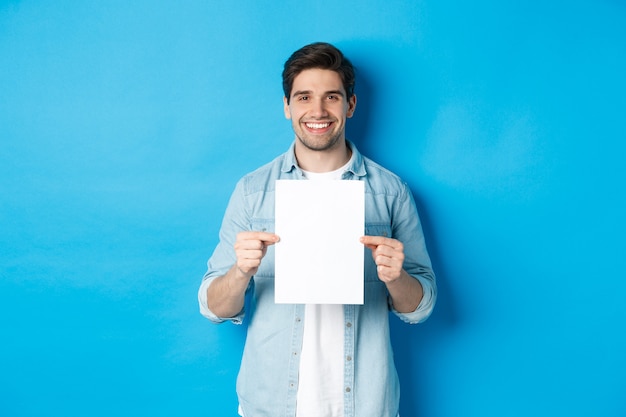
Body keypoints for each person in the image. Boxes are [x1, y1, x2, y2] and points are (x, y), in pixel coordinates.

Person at [198, 42, 436, 417]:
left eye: (331, 97)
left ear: (350, 105)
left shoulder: (390, 192)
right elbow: (213, 307)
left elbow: (420, 307)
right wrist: (240, 271)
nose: (318, 110)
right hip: (270, 404)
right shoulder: (252, 191)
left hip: (364, 404)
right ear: (287, 107)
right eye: (304, 97)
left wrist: (396, 277)